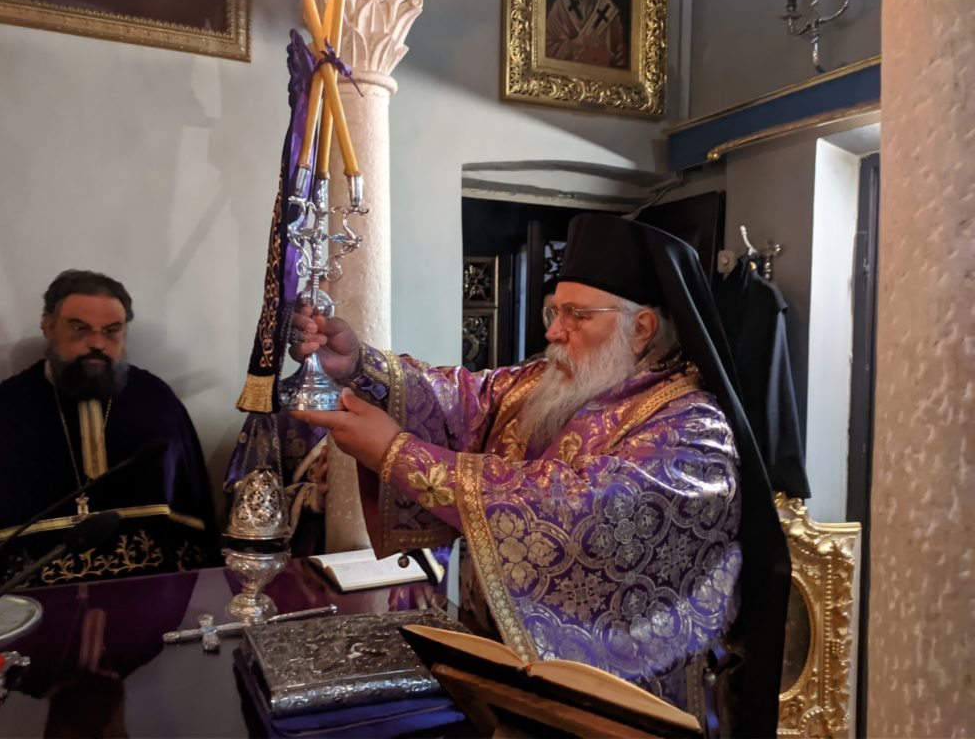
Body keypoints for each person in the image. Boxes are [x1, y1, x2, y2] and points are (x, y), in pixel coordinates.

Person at [292, 215, 790, 736]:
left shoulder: (693, 428)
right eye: (555, 310)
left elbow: (580, 513)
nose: (553, 331)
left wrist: (398, 453)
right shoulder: (554, 379)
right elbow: (464, 400)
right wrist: (360, 367)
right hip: (508, 679)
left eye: (577, 315)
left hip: (626, 706)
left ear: (641, 329)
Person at [0, 270, 218, 590]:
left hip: (145, 594)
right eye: (79, 328)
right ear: (48, 326)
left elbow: (191, 507)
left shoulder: (157, 401)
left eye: (112, 330)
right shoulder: (1, 411)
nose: (97, 343)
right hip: (37, 604)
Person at [545, 0, 628, 69]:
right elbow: (547, 48)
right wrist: (575, 44)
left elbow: (620, 61)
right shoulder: (562, 6)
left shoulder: (611, 15)